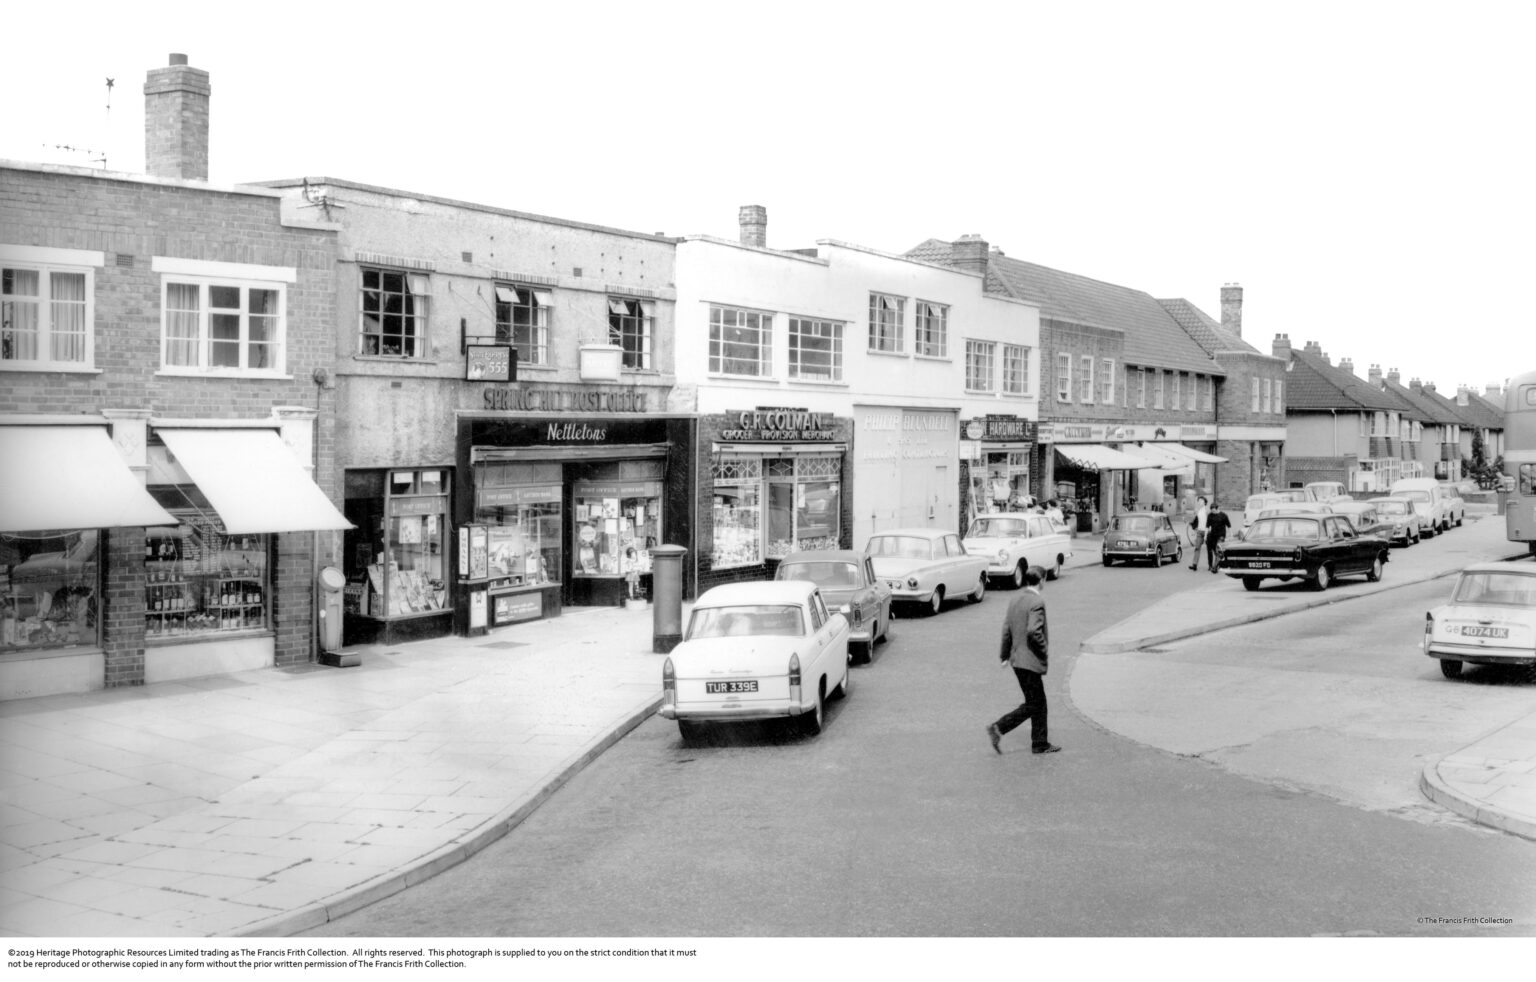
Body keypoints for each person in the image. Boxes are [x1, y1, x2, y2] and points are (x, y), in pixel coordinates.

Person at [986, 566, 1061, 755]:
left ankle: (1039, 743)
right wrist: (1043, 650)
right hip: (1030, 660)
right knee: (1035, 703)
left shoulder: (1015, 599)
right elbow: (1033, 631)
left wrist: (1004, 655)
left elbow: (1006, 629)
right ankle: (999, 727)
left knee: (1037, 701)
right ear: (1042, 580)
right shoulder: (1037, 601)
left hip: (1016, 659)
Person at [1205, 500, 1231, 573]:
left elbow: (1229, 526)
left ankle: (1214, 568)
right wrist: (1205, 536)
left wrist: (1230, 535)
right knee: (1216, 552)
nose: (1213, 512)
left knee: (1218, 550)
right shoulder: (1210, 515)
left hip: (1221, 535)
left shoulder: (1223, 515)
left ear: (1217, 508)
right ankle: (1217, 565)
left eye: (1214, 510)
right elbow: (1207, 526)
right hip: (1213, 536)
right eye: (1212, 511)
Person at [1188, 495, 1211, 570]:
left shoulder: (1207, 510)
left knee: (1209, 549)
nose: (1200, 502)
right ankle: (1194, 565)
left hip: (1207, 531)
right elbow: (1194, 521)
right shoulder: (1198, 511)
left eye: (1201, 501)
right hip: (1199, 531)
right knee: (1197, 547)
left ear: (1205, 502)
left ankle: (1210, 565)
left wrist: (1209, 530)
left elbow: (1210, 521)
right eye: (1199, 501)